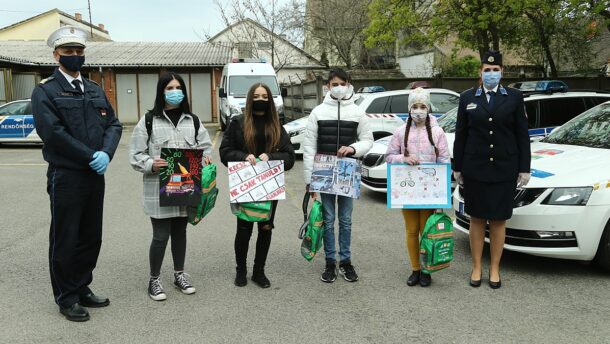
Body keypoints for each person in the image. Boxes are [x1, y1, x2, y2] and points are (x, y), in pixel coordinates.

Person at [31, 26, 122, 322]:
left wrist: (106, 153)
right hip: (67, 175)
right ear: (56, 55)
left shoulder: (95, 89)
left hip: (95, 175)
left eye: (79, 51)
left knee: (90, 236)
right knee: (66, 237)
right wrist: (88, 156)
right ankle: (66, 296)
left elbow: (114, 125)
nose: (75, 56)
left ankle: (81, 285)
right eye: (69, 51)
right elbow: (53, 133)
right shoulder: (45, 91)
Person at [129, 72, 212, 301]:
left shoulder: (192, 120)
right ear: (161, 92)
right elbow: (135, 154)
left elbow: (205, 147)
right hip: (159, 189)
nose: (175, 91)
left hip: (185, 187)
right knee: (160, 236)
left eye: (178, 87)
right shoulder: (149, 120)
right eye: (169, 88)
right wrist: (150, 164)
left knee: (180, 233)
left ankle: (179, 275)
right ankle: (154, 279)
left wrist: (205, 159)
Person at [453, 50, 531, 289]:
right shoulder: (467, 97)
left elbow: (521, 135)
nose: (491, 74)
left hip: (504, 169)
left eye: (495, 70)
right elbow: (461, 135)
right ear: (480, 72)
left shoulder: (514, 97)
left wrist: (524, 168)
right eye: (487, 70)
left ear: (502, 72)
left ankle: (494, 268)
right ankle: (477, 266)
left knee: (498, 221)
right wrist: (457, 167)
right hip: (475, 168)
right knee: (476, 219)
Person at [219, 83, 295, 288]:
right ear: (250, 98)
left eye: (264, 96)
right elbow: (225, 152)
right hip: (246, 184)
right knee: (244, 230)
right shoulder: (238, 122)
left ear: (269, 99)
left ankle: (259, 271)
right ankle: (241, 270)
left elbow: (290, 157)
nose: (260, 99)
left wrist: (271, 156)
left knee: (265, 228)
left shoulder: (277, 125)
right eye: (257, 96)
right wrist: (244, 157)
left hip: (270, 185)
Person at [303, 68, 373, 283]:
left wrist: (353, 149)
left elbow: (368, 140)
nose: (339, 87)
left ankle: (346, 261)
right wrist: (309, 182)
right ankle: (330, 262)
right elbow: (308, 147)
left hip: (347, 174)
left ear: (349, 84)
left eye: (342, 83)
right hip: (323, 174)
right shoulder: (318, 112)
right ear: (327, 87)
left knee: (346, 220)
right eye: (334, 84)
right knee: (328, 219)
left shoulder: (358, 112)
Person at [385, 87, 450, 287]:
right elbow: (389, 157)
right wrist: (402, 158)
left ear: (428, 108)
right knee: (412, 230)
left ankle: (426, 269)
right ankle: (415, 268)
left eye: (423, 106)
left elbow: (445, 161)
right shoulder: (400, 131)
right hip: (408, 191)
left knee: (426, 230)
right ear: (409, 108)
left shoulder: (438, 132)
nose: (419, 110)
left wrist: (442, 197)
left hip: (429, 193)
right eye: (415, 106)